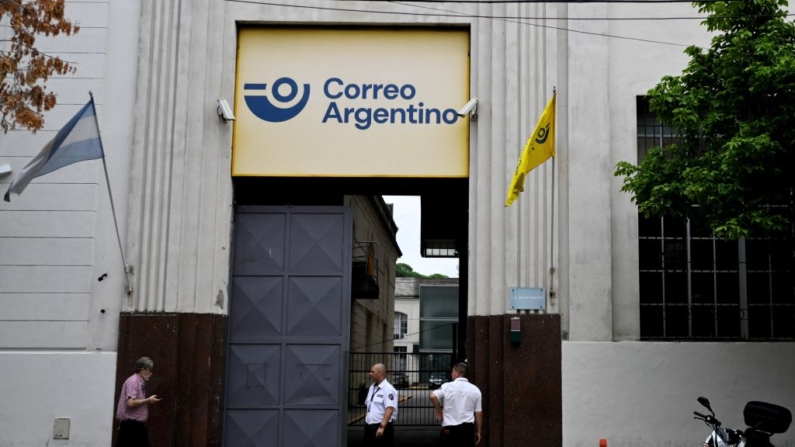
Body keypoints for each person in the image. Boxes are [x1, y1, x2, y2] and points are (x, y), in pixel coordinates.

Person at [429, 363, 483, 447]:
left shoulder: (447, 386)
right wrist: (478, 431)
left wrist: (439, 410)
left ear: (457, 373)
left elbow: (432, 396)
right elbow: (478, 413)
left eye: (452, 371)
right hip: (467, 431)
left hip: (449, 430)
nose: (451, 373)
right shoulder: (475, 390)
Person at [115, 357, 161, 447]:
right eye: (149, 371)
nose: (151, 374)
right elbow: (130, 403)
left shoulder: (139, 382)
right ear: (142, 369)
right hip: (131, 425)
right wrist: (148, 400)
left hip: (133, 425)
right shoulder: (133, 382)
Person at [363, 363, 398, 446]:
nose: (370, 373)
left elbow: (389, 409)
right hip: (369, 427)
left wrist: (382, 427)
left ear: (379, 373)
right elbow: (370, 406)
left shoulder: (388, 389)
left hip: (381, 427)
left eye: (372, 372)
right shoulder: (372, 387)